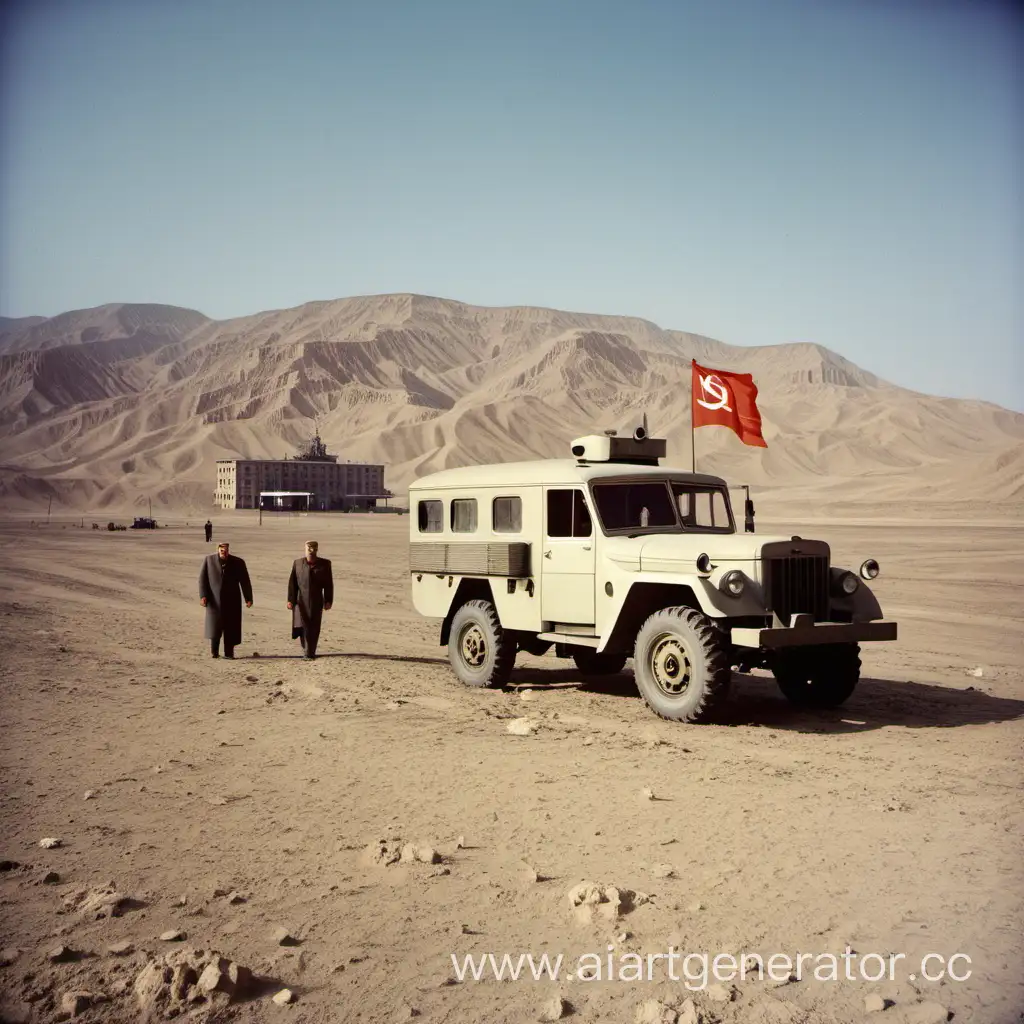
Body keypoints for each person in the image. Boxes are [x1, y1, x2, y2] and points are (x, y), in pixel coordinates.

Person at [198, 541, 253, 659]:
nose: (224, 552)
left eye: (226, 550)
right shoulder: (209, 560)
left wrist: (248, 598)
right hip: (214, 601)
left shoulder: (238, 562)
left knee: (230, 628)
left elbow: (245, 581)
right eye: (222, 550)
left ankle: (229, 653)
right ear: (218, 550)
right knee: (215, 628)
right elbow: (203, 580)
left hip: (232, 601)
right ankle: (215, 652)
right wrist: (203, 596)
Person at [287, 540, 333, 659]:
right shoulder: (297, 563)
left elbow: (328, 584)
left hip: (317, 600)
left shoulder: (325, 564)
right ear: (305, 549)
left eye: (314, 549)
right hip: (300, 600)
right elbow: (293, 583)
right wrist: (290, 600)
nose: (311, 552)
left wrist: (328, 600)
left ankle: (310, 652)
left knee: (314, 626)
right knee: (303, 626)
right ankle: (306, 650)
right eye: (309, 549)